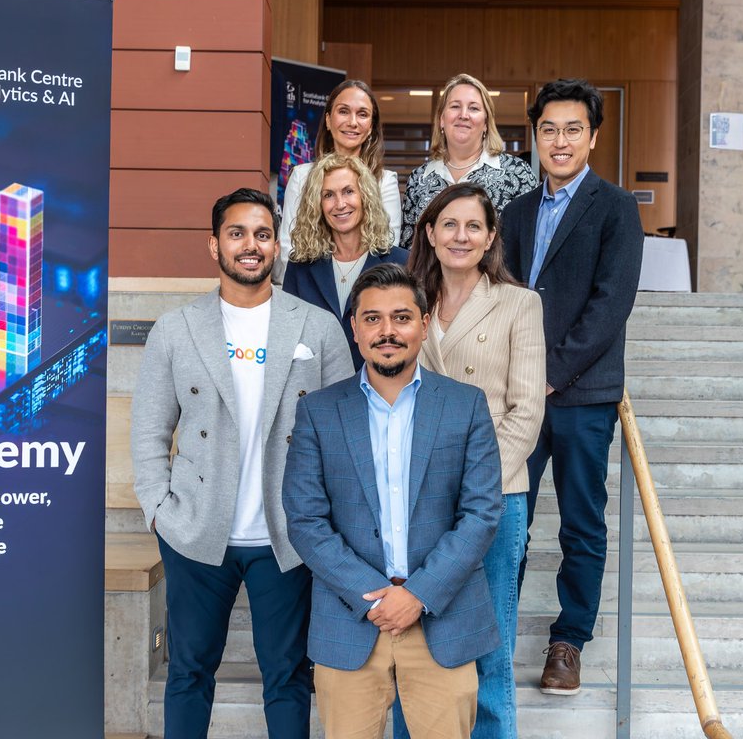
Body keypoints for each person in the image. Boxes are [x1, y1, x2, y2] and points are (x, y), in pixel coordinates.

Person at [130, 188, 354, 739]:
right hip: (196, 531)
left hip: (287, 536)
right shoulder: (177, 329)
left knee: (287, 676)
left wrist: (325, 520)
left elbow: (347, 433)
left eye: (261, 234)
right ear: (214, 245)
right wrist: (159, 508)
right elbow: (150, 430)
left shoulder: (317, 326)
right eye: (236, 234)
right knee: (188, 670)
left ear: (276, 245)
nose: (249, 246)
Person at [282, 263, 502, 739]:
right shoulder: (318, 412)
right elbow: (305, 520)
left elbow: (482, 513)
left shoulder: (466, 405)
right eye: (373, 318)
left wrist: (418, 594)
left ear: (424, 325)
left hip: (442, 621)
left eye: (401, 317)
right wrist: (374, 596)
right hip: (351, 622)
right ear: (355, 330)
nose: (388, 331)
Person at [499, 79, 644, 696]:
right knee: (507, 517)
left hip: (581, 395)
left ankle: (569, 641)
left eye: (573, 129)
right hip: (514, 399)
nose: (560, 141)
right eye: (549, 129)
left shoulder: (616, 209)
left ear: (593, 136)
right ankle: (496, 632)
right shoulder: (514, 213)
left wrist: (550, 371)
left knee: (582, 523)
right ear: (535, 136)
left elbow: (611, 306)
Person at [399, 182, 545, 738]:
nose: (461, 236)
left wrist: (473, 484)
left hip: (494, 500)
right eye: (449, 224)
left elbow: (526, 412)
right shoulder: (405, 299)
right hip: (413, 497)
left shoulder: (519, 304)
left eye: (474, 227)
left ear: (489, 239)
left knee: (490, 647)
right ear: (430, 233)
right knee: (411, 648)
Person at [283, 152, 410, 367]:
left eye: (348, 191)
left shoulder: (400, 262)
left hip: (380, 385)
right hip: (317, 388)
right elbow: (288, 334)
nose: (340, 204)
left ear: (365, 197)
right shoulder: (300, 266)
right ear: (317, 204)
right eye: (328, 195)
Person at [399, 73, 538, 249]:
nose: (463, 115)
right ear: (442, 119)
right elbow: (407, 248)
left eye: (473, 108)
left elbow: (530, 245)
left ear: (486, 122)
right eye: (455, 106)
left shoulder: (517, 173)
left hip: (495, 277)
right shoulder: (419, 178)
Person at [280, 80, 402, 274]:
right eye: (344, 111)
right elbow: (289, 250)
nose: (352, 122)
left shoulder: (384, 181)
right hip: (310, 293)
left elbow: (387, 248)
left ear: (370, 127)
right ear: (328, 120)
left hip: (369, 292)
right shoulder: (302, 177)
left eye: (362, 114)